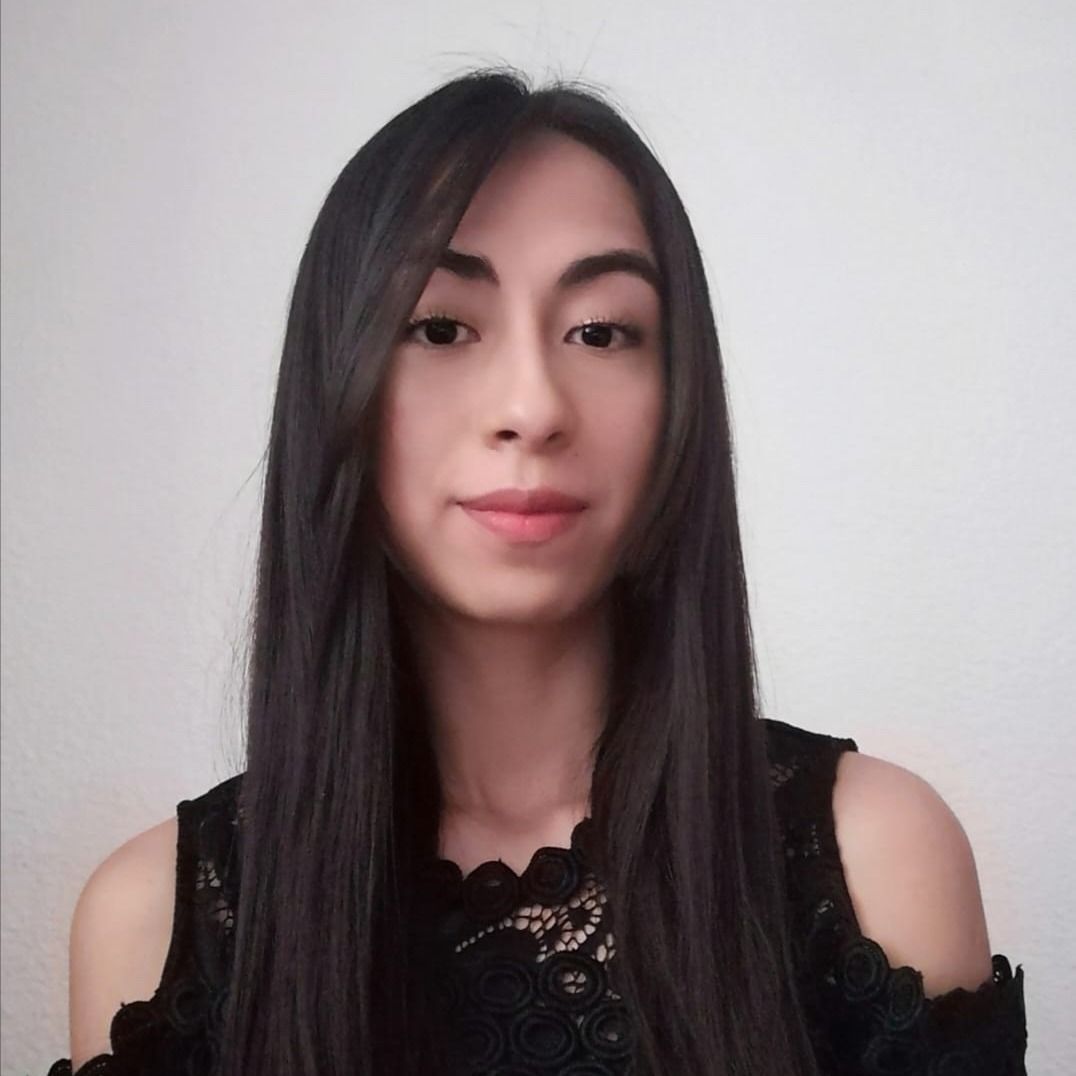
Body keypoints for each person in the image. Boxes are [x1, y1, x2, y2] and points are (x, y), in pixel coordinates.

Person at [46, 68, 1027, 1076]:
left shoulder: (873, 865)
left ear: (679, 396)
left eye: (599, 332)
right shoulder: (152, 932)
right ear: (335, 385)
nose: (532, 406)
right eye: (440, 328)